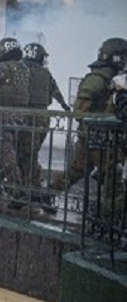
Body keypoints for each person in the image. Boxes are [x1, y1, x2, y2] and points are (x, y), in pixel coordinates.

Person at [50, 37, 127, 192]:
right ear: (116, 57)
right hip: (97, 136)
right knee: (112, 176)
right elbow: (80, 110)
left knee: (77, 171)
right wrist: (101, 121)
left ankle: (46, 195)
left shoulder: (109, 77)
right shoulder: (98, 78)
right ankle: (107, 214)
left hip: (97, 135)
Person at [19, 42, 70, 211]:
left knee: (25, 155)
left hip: (25, 116)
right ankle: (33, 192)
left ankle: (29, 192)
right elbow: (56, 92)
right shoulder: (45, 73)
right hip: (42, 116)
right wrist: (65, 107)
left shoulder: (20, 70)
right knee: (30, 154)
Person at [0, 37, 31, 207]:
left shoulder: (1, 68)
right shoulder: (24, 68)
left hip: (1, 117)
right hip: (19, 117)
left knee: (5, 153)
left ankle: (16, 192)